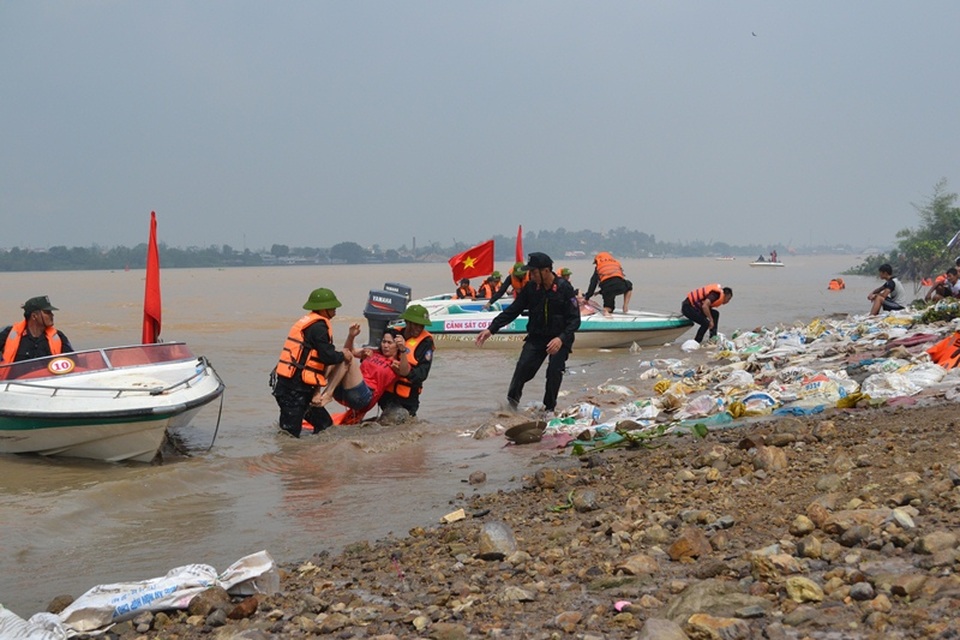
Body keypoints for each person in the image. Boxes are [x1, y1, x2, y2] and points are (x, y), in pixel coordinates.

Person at [476, 252, 580, 414]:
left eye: (533, 272)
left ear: (545, 270)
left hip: (560, 337)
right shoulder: (531, 288)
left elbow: (575, 320)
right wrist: (492, 328)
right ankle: (511, 406)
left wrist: (560, 339)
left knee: (554, 371)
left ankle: (549, 408)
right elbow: (513, 310)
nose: (530, 275)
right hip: (537, 336)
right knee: (522, 368)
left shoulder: (564, 288)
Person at [271, 287, 354, 438]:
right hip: (293, 390)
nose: (335, 310)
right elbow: (327, 357)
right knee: (289, 435)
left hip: (300, 388)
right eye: (332, 307)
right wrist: (343, 355)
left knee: (324, 424)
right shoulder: (318, 327)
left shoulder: (311, 323)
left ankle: (313, 456)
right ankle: (285, 459)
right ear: (323, 309)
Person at [317, 327, 411, 425]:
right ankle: (316, 390)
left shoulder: (396, 364)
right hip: (345, 391)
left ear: (397, 346)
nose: (385, 345)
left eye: (389, 343)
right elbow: (348, 351)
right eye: (384, 342)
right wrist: (351, 336)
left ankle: (328, 394)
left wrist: (403, 350)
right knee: (336, 356)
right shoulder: (372, 353)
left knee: (349, 358)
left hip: (364, 397)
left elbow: (405, 372)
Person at [379, 304, 435, 418]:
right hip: (386, 395)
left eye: (421, 325)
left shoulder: (425, 343)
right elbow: (378, 356)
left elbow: (422, 374)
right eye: (415, 324)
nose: (418, 328)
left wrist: (405, 372)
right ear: (407, 321)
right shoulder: (392, 334)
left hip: (408, 398)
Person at [1, 295, 74, 363]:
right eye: (47, 312)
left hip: (47, 377)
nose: (52, 315)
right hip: (14, 377)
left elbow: (73, 361)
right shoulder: (8, 334)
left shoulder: (59, 337)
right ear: (34, 316)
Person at [583, 251, 633, 316]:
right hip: (620, 286)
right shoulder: (615, 264)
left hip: (607, 289)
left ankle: (606, 312)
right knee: (629, 286)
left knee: (609, 307)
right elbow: (614, 281)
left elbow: (593, 284)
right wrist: (599, 292)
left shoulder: (598, 268)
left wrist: (587, 297)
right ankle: (625, 306)